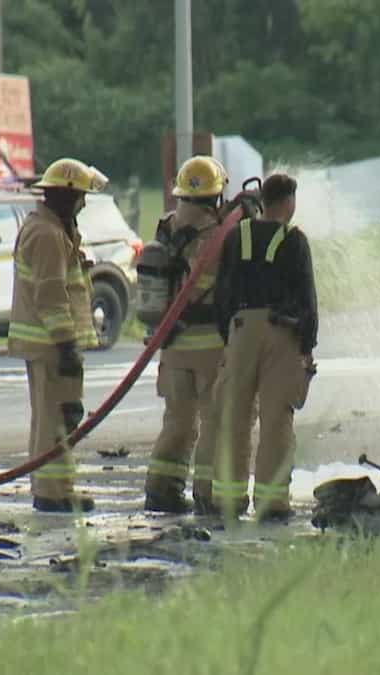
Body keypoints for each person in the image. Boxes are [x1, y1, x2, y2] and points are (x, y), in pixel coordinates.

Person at [212, 173, 319, 522]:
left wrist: (230, 337)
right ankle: (272, 504)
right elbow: (307, 299)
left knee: (234, 416)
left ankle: (228, 499)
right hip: (281, 335)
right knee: (276, 420)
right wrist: (307, 346)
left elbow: (221, 292)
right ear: (287, 203)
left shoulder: (235, 235)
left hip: (240, 330)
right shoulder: (295, 240)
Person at [7, 157, 109, 513]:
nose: (83, 203)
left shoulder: (50, 229)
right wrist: (67, 347)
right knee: (58, 418)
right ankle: (54, 494)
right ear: (65, 197)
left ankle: (54, 488)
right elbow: (50, 297)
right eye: (80, 197)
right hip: (51, 345)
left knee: (53, 418)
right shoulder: (48, 235)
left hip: (45, 344)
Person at [143, 156, 230, 515]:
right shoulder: (220, 234)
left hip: (173, 346)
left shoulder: (166, 228)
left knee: (177, 422)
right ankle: (207, 495)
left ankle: (162, 491)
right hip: (210, 345)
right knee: (213, 422)